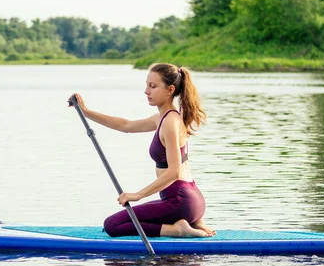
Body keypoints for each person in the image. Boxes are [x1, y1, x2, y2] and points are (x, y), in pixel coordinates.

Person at [69, 63, 215, 238]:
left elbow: (174, 172)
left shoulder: (170, 122)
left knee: (112, 225)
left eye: (153, 86)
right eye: (147, 85)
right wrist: (86, 112)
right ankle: (192, 221)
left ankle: (177, 230)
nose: (147, 91)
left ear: (170, 90)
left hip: (180, 200)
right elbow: (126, 126)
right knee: (127, 221)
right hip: (191, 200)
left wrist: (138, 195)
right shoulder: (164, 118)